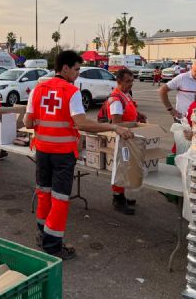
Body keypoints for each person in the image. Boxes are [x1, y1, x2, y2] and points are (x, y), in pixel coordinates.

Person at [24, 50, 134, 260]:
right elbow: (82, 123)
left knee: (44, 193)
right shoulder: (71, 91)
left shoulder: (37, 90)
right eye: (76, 69)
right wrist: (114, 128)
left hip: (42, 152)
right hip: (62, 154)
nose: (78, 73)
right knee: (60, 199)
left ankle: (42, 234)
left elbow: (28, 123)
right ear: (64, 68)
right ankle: (53, 245)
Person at [104, 68, 148, 215]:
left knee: (125, 167)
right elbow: (116, 122)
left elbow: (129, 111)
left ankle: (121, 196)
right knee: (120, 168)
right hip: (121, 139)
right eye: (128, 81)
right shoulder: (116, 99)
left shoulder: (125, 95)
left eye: (132, 81)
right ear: (119, 81)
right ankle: (118, 199)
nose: (131, 84)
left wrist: (138, 115)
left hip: (127, 137)